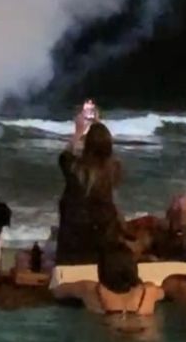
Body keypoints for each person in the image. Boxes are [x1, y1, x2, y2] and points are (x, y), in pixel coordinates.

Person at [55, 108, 123, 265]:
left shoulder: (76, 169)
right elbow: (108, 153)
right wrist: (98, 125)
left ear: (87, 144)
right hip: (103, 239)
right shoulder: (114, 169)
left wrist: (78, 131)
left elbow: (65, 156)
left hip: (73, 239)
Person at [54, 243, 164, 327]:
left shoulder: (90, 289)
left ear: (102, 269)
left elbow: (58, 291)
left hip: (108, 337)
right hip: (143, 336)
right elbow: (163, 294)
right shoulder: (149, 291)